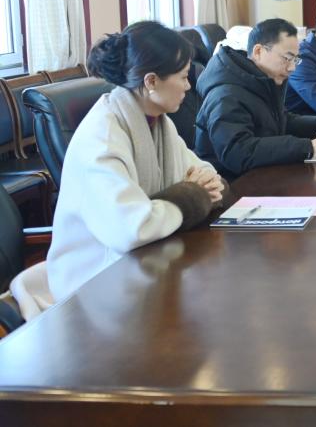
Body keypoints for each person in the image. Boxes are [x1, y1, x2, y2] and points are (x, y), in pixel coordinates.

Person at [40, 22, 224, 303]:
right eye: (183, 77)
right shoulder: (103, 137)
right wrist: (191, 195)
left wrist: (199, 188)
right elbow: (132, 228)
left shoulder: (158, 122)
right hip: (96, 282)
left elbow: (205, 175)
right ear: (151, 82)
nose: (189, 86)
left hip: (146, 260)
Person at [194, 19, 316, 179]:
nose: (292, 68)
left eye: (295, 59)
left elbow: (282, 120)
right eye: (287, 58)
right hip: (231, 184)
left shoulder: (261, 80)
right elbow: (237, 152)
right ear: (258, 51)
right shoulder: (226, 93)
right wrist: (307, 147)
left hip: (262, 174)